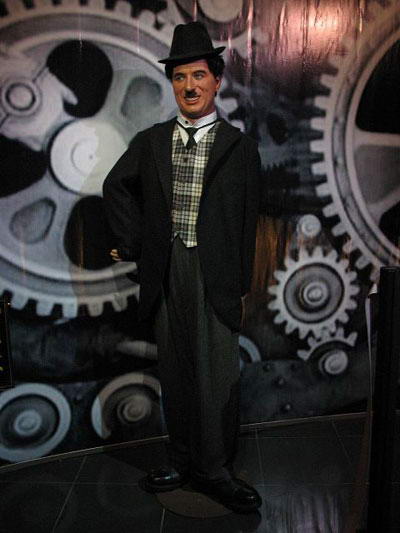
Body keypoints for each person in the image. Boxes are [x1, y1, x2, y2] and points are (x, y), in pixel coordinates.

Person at [103, 21, 262, 514]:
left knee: (215, 375)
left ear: (216, 81)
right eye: (179, 78)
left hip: (215, 273)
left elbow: (248, 220)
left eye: (198, 76)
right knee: (174, 371)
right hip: (167, 267)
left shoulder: (239, 147)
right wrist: (134, 244)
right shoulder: (152, 141)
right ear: (172, 84)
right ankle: (180, 459)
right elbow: (115, 187)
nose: (189, 86)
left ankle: (215, 470)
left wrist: (239, 281)